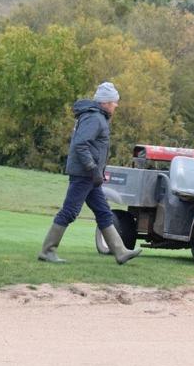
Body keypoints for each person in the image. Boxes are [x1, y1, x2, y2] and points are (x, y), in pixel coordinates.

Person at [37, 82, 142, 265]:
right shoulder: (95, 118)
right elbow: (80, 144)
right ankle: (47, 251)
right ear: (106, 102)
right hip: (84, 174)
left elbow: (89, 146)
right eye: (114, 102)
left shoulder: (97, 117)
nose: (116, 105)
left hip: (89, 175)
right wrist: (93, 169)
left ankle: (120, 251)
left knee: (103, 212)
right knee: (69, 211)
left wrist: (97, 172)